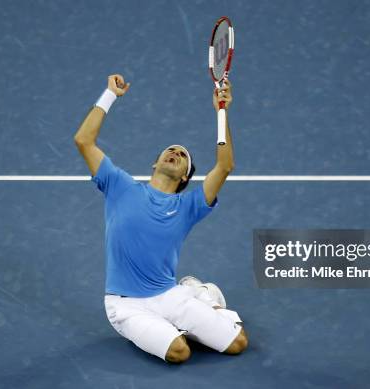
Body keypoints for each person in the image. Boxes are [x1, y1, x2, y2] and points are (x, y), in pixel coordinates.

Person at [73, 74, 247, 363]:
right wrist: (110, 95)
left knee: (238, 343)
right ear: (156, 163)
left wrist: (221, 111)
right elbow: (83, 140)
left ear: (184, 177)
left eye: (182, 156)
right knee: (180, 352)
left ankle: (202, 300)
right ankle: (198, 304)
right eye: (171, 150)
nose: (175, 153)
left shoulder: (189, 205)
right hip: (126, 305)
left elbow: (225, 165)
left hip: (169, 296)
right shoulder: (120, 185)